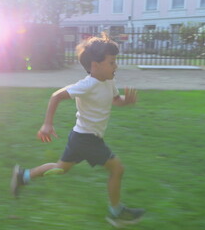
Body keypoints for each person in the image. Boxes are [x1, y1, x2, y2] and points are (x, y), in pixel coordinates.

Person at [11, 32, 145, 228]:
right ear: (95, 66)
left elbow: (115, 100)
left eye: (116, 61)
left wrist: (127, 101)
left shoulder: (109, 80)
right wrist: (47, 124)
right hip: (87, 139)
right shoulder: (87, 85)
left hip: (80, 137)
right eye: (111, 62)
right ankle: (116, 213)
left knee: (60, 169)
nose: (115, 66)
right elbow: (56, 96)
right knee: (117, 169)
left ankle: (22, 176)